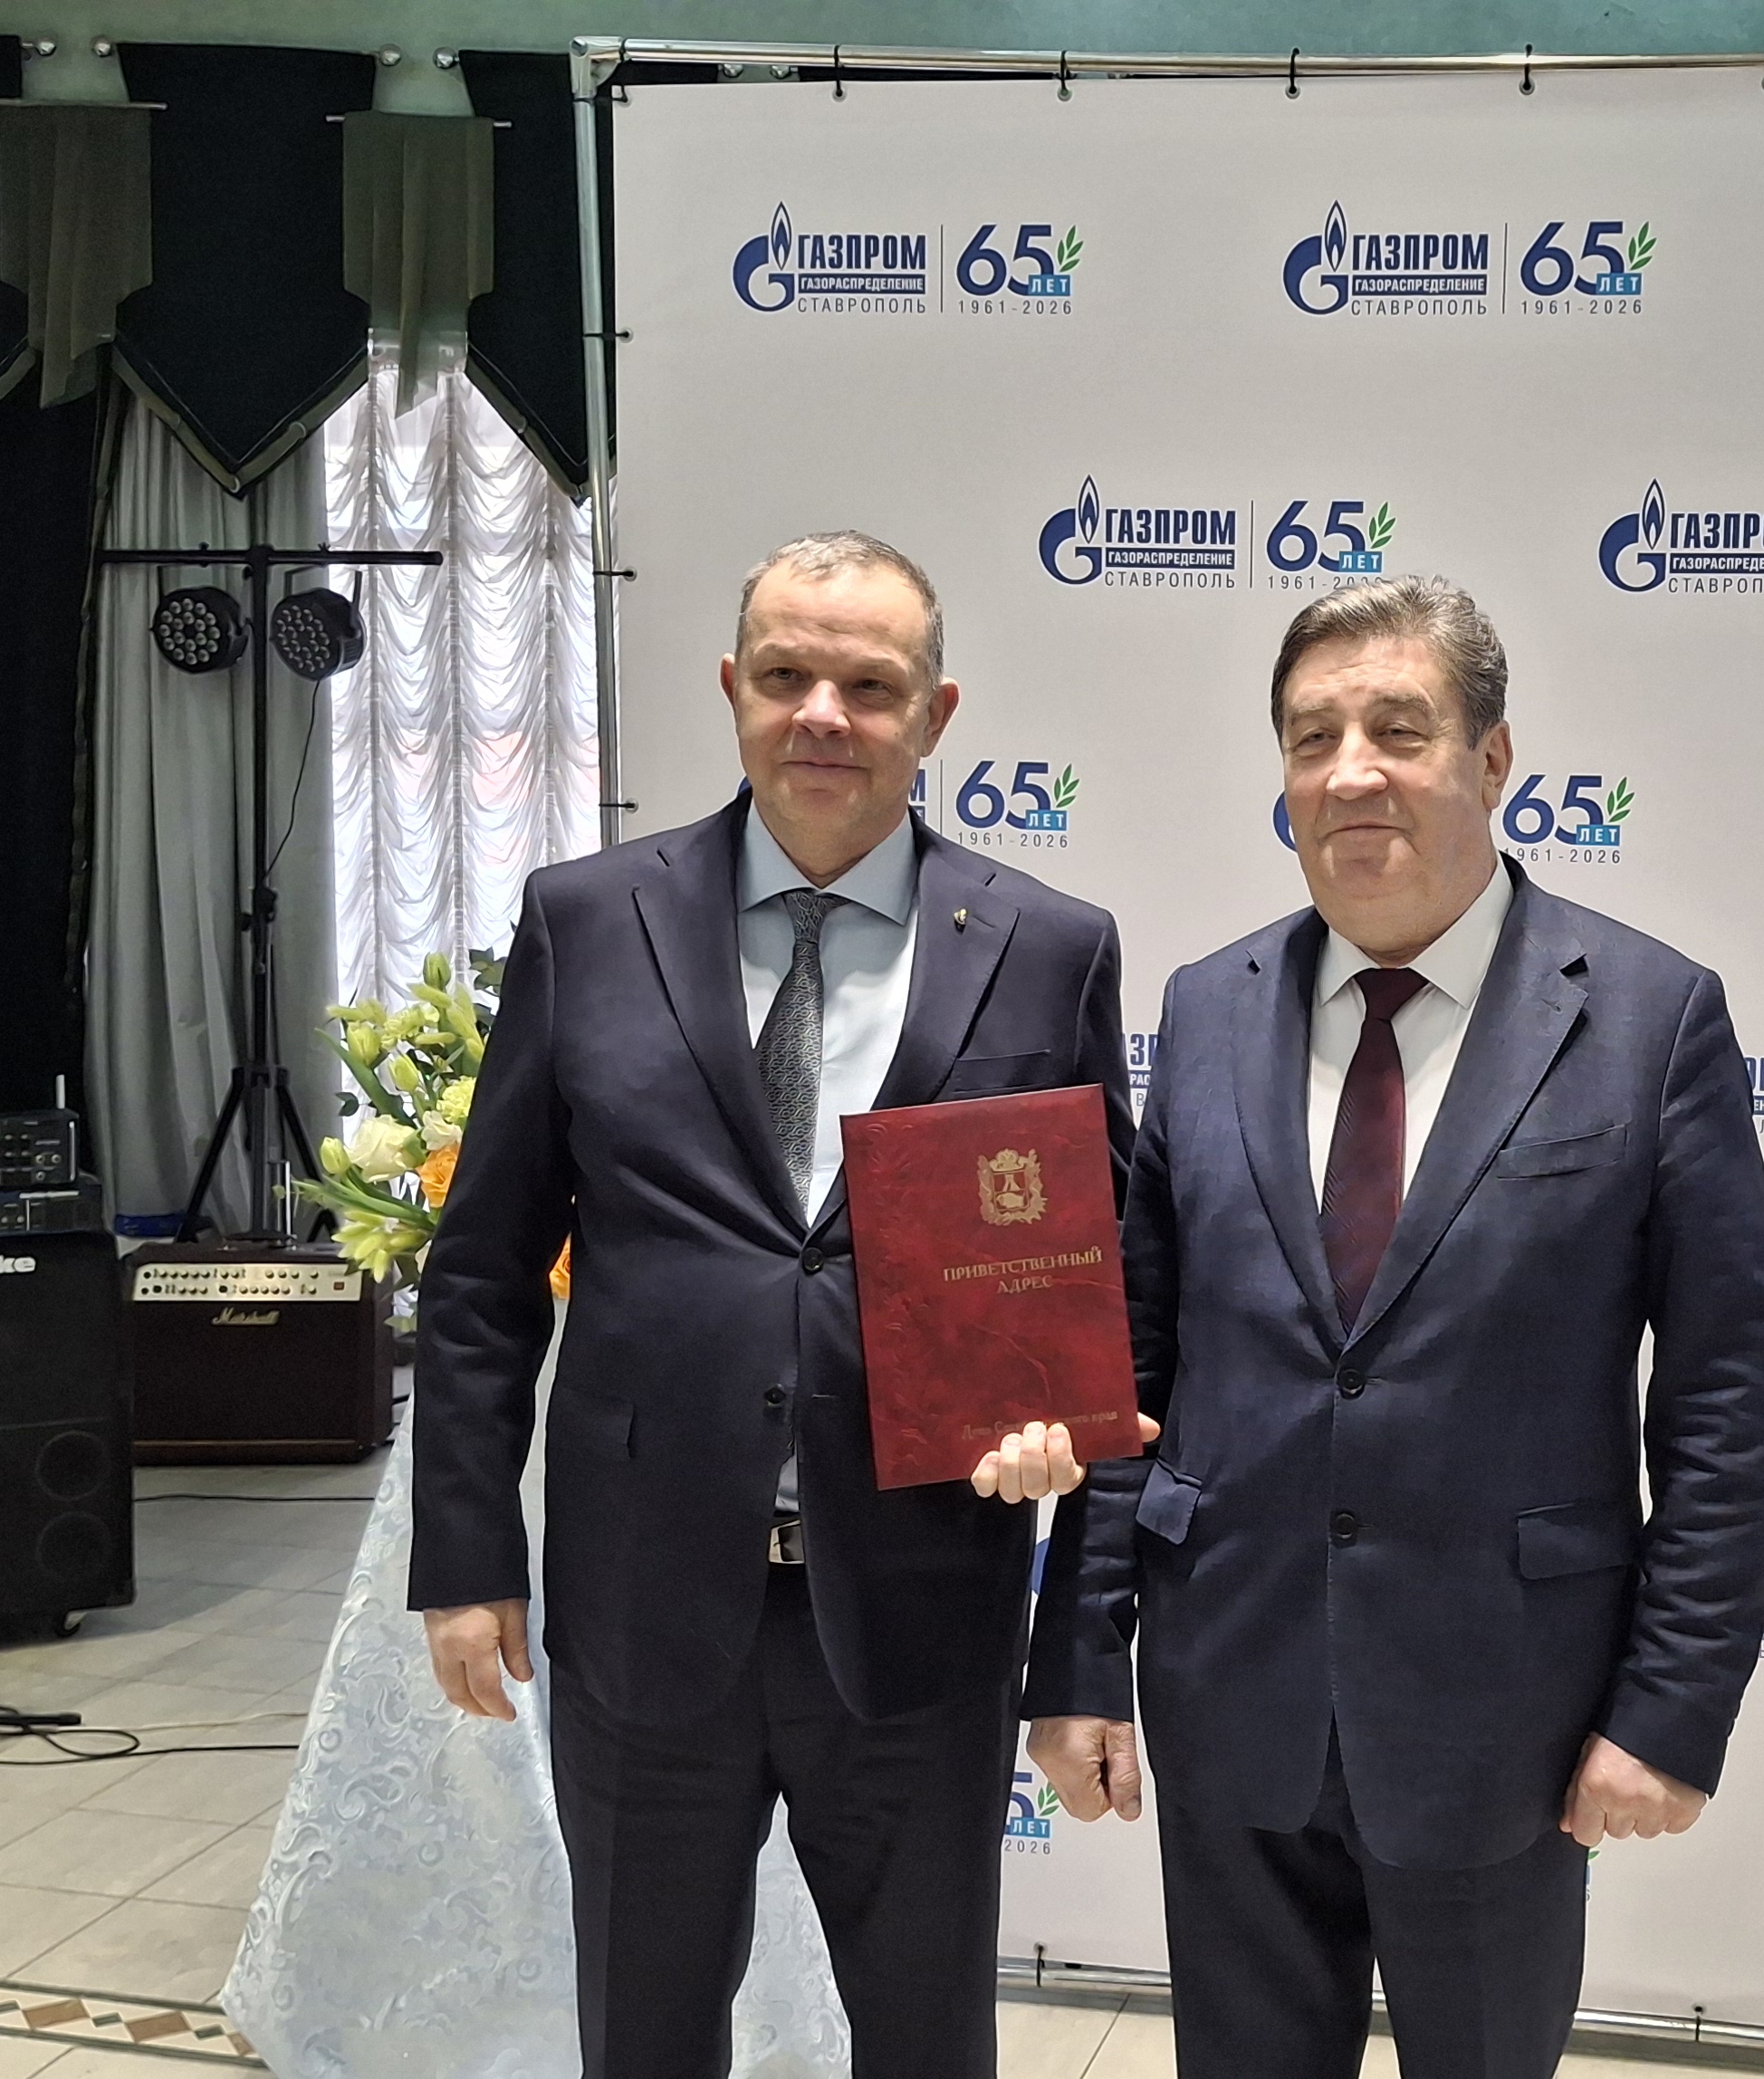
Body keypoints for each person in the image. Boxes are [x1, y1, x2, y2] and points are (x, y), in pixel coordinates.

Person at [1023, 575, 1764, 2079]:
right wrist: (1079, 1659)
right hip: (1229, 1698)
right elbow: (1132, 1367)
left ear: (1492, 759)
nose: (1350, 771)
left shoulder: (1649, 1019)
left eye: (1399, 728)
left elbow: (1727, 1400)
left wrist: (1673, 1707)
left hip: (1506, 1723)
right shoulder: (1208, 1008)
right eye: (1313, 737)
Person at [410, 531, 1137, 2079]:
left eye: (869, 686)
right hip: (642, 1602)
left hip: (920, 1608)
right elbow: (481, 1275)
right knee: (645, 2035)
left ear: (936, 715)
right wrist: (465, 1555)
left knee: (927, 2041)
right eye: (789, 675)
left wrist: (1065, 1511)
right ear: (734, 688)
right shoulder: (586, 919)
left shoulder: (1050, 948)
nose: (824, 714)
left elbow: (1102, 1295)